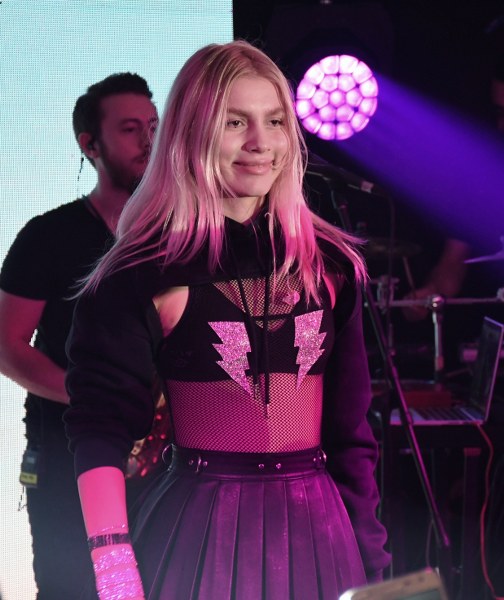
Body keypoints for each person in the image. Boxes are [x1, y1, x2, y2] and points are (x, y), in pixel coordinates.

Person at [64, 40, 390, 600]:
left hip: (323, 538)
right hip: (199, 538)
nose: (261, 142)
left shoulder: (330, 267)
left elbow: (351, 438)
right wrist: (113, 566)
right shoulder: (141, 274)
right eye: (235, 122)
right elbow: (98, 428)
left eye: (275, 121)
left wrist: (374, 565)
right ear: (191, 134)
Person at [0, 72, 159, 599]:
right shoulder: (48, 236)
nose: (149, 141)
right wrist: (93, 399)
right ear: (90, 145)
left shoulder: (175, 235)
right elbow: (6, 345)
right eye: (131, 129)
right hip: (66, 459)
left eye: (154, 127)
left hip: (162, 465)